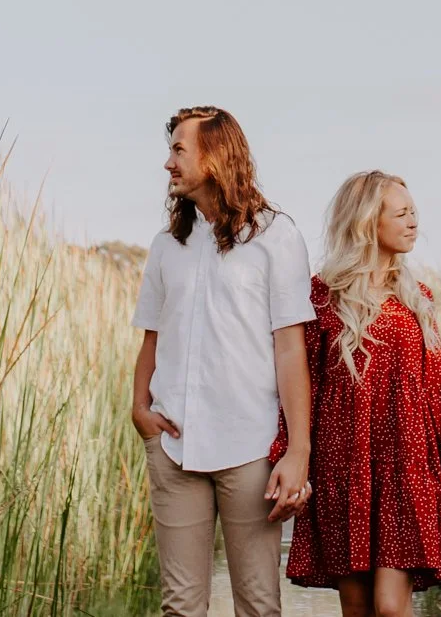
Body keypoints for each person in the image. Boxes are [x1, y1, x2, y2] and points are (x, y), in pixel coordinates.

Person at [131, 106, 316, 617]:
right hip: (173, 446)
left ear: (214, 158)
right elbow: (151, 336)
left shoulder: (276, 237)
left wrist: (297, 450)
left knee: (257, 604)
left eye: (178, 150)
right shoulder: (167, 245)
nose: (168, 163)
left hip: (249, 448)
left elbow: (290, 347)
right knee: (180, 607)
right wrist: (139, 410)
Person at [276, 170, 441, 617]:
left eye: (413, 213)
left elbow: (438, 388)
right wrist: (291, 456)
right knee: (357, 606)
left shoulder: (417, 297)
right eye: (402, 213)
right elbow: (301, 381)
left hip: (408, 466)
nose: (413, 222)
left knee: (390, 607)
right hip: (342, 465)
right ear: (369, 222)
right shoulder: (322, 296)